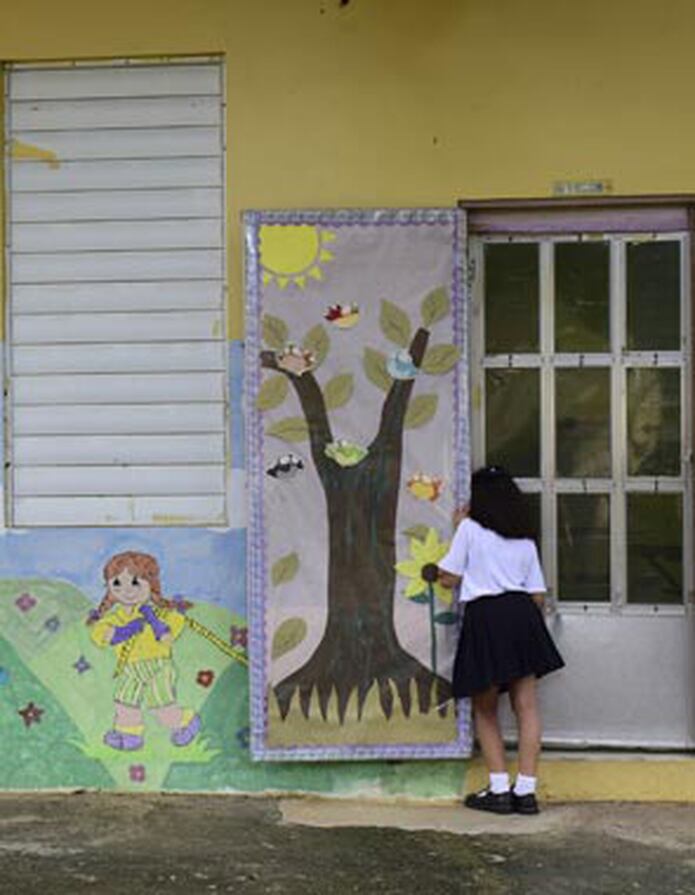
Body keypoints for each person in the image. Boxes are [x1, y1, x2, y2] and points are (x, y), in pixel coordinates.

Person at [422, 466, 564, 815]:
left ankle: (499, 789)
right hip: (522, 614)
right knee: (526, 706)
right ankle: (526, 792)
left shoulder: (470, 529)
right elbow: (537, 595)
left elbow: (449, 577)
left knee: (485, 708)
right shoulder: (524, 539)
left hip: (486, 617)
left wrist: (458, 530)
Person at [87, 551, 201, 751]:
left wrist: (155, 622)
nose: (126, 591)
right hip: (130, 668)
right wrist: (125, 630)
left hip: (158, 667)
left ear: (151, 585)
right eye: (117, 583)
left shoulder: (159, 613)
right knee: (124, 703)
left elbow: (168, 635)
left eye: (135, 582)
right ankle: (130, 735)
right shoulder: (116, 617)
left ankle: (185, 722)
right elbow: (101, 634)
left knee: (161, 708)